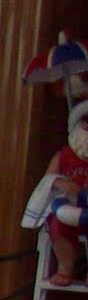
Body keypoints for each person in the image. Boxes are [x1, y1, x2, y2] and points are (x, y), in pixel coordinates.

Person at [22, 100, 88, 285]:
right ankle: (65, 267)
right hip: (67, 209)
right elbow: (47, 179)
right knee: (57, 224)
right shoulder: (63, 156)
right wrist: (60, 183)